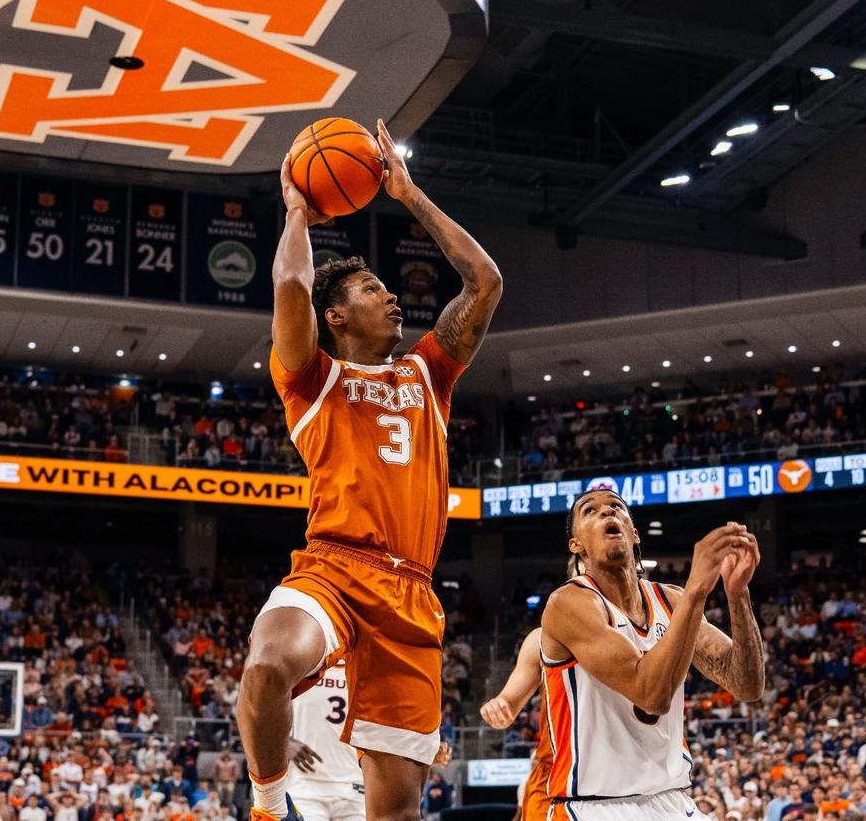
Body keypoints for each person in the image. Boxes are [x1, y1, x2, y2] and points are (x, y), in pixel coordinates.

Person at [239, 118, 503, 821]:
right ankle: (267, 807)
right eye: (373, 290)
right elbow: (290, 289)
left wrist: (410, 195)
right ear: (337, 315)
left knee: (395, 814)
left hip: (411, 597)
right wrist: (297, 213)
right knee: (267, 666)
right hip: (333, 566)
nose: (392, 297)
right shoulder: (309, 378)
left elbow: (485, 283)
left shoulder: (430, 374)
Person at [538, 488, 765, 819]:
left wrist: (737, 594)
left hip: (672, 800)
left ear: (634, 533)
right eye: (590, 511)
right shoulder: (569, 604)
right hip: (596, 807)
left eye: (616, 507)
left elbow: (747, 685)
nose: (606, 512)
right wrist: (697, 591)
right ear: (577, 545)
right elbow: (651, 694)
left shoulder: (670, 600)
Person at [479, 627, 548, 821]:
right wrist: (502, 704)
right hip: (556, 779)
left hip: (623, 775)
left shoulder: (630, 633)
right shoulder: (541, 640)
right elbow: (509, 701)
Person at [286, 659, 365, 821]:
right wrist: (282, 741)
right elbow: (258, 710)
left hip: (356, 785)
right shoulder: (300, 665)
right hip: (305, 785)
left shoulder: (368, 669)